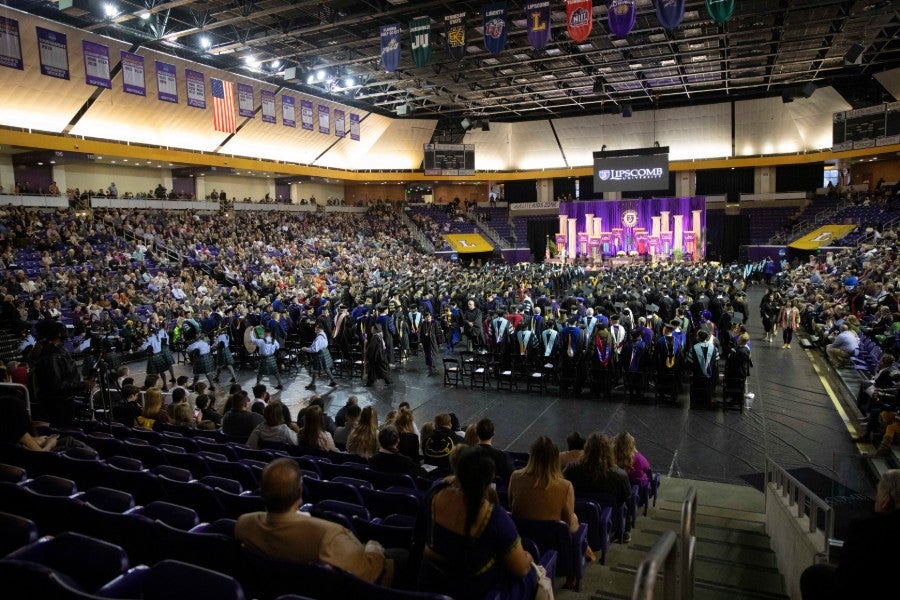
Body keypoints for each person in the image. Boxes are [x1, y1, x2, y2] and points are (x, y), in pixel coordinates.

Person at [236, 458, 406, 587]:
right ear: (299, 492)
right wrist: (373, 549)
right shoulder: (327, 536)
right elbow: (368, 574)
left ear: (262, 493)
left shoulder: (243, 525)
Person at [414, 445, 536, 600]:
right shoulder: (495, 517)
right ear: (488, 480)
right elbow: (521, 570)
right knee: (531, 572)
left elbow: (419, 536)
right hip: (475, 592)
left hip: (430, 586)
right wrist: (529, 560)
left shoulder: (435, 494)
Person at [799, 470, 900, 600]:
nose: (876, 496)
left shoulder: (865, 529)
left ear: (887, 498)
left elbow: (846, 576)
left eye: (879, 490)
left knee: (812, 575)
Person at [563, 433, 633, 541]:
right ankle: (624, 532)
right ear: (609, 451)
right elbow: (626, 498)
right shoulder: (620, 475)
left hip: (577, 518)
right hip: (608, 522)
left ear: (586, 449)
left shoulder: (571, 470)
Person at [31, 320, 85, 427]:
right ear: (59, 334)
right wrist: (82, 384)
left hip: (56, 402)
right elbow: (56, 385)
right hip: (59, 405)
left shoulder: (51, 351)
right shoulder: (53, 355)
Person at [475, 418, 514, 483]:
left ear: (476, 433)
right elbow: (511, 478)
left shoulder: (466, 453)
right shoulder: (502, 456)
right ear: (493, 433)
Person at [302, 322, 337, 391]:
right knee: (326, 368)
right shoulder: (323, 334)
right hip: (323, 352)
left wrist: (305, 349)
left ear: (319, 329)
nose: (315, 328)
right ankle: (333, 381)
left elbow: (314, 349)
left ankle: (313, 384)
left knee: (315, 369)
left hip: (319, 354)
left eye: (316, 327)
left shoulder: (319, 338)